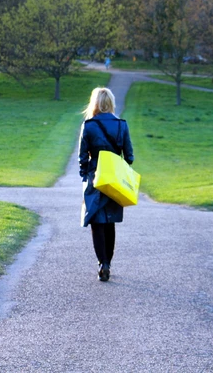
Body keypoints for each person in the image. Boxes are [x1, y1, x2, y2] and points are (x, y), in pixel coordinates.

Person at [78, 87, 134, 282]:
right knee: (109, 221)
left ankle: (102, 263)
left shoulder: (89, 125)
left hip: (95, 177)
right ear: (110, 103)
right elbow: (130, 157)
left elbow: (82, 158)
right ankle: (107, 262)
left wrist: (85, 177)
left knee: (96, 221)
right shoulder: (121, 125)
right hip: (114, 178)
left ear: (94, 103)